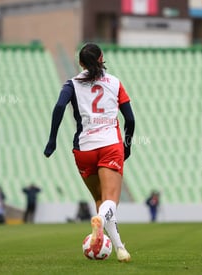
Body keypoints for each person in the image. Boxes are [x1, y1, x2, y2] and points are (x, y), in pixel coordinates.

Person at [44, 43, 135, 262]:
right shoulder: (114, 82)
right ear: (102, 58)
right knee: (111, 200)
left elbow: (58, 107)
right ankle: (100, 222)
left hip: (84, 148)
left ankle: (120, 249)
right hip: (110, 145)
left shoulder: (72, 84)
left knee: (100, 201)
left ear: (81, 63)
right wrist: (128, 146)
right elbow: (130, 119)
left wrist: (52, 139)